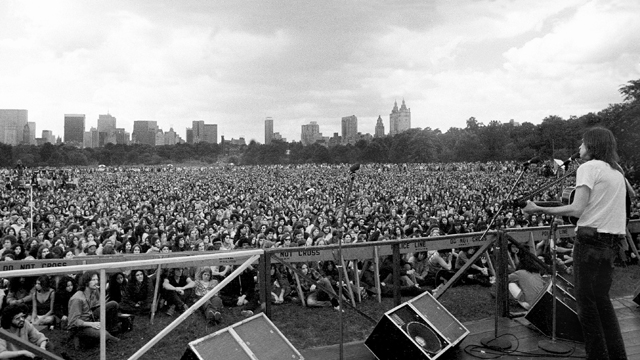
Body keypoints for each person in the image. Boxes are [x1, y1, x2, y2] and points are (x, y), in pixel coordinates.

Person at [524, 127, 631, 360]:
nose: (579, 147)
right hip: (611, 243)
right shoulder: (616, 170)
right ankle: (617, 355)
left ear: (592, 146)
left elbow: (577, 208)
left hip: (590, 242)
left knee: (587, 309)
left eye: (583, 143)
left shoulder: (588, 168)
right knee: (602, 303)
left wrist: (538, 208)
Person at [67, 271, 120, 344]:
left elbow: (98, 305)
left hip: (90, 317)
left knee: (113, 304)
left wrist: (98, 291)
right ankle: (112, 339)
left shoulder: (93, 291)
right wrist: (91, 324)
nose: (96, 282)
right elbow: (73, 322)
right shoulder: (77, 299)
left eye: (97, 280)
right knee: (104, 335)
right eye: (93, 280)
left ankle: (113, 331)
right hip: (80, 326)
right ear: (86, 282)